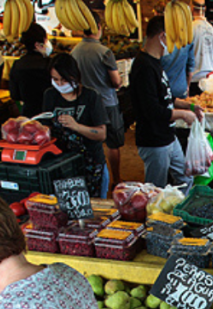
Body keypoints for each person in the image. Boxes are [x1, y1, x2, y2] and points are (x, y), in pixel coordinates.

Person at [129, 15, 203, 189]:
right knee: (155, 190)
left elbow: (164, 97)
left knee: (186, 179)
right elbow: (152, 110)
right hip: (154, 140)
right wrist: (183, 115)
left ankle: (181, 205)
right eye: (172, 39)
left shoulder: (156, 63)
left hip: (168, 136)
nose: (174, 46)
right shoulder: (144, 67)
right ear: (162, 36)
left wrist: (188, 106)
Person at [72, 11, 124, 192]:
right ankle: (116, 179)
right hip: (107, 102)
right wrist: (121, 80)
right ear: (99, 27)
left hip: (85, 104)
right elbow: (116, 82)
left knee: (90, 142)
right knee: (113, 143)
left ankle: (93, 176)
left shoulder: (74, 52)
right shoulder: (104, 52)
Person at [43, 53, 108, 198]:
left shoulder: (91, 96)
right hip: (62, 165)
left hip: (91, 164)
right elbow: (46, 128)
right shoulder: (50, 95)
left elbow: (101, 134)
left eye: (64, 80)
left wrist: (76, 126)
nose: (60, 84)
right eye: (55, 79)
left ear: (75, 76)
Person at [8, 23, 53, 117]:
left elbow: (14, 95)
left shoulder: (17, 65)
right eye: (46, 39)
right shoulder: (50, 64)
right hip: (49, 113)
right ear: (37, 44)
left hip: (28, 114)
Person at [189, 0, 213, 96]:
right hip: (209, 78)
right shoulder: (211, 28)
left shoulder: (190, 28)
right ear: (205, 9)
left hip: (194, 78)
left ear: (192, 8)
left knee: (194, 104)